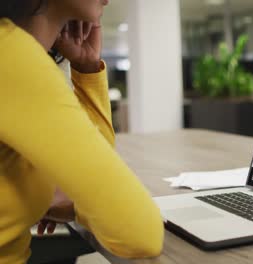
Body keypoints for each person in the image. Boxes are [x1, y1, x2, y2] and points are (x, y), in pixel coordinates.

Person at [0, 1, 164, 263]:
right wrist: (76, 206)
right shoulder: (10, 55)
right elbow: (140, 234)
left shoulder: (17, 51)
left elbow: (94, 173)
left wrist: (87, 68)